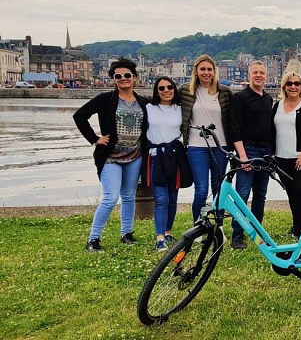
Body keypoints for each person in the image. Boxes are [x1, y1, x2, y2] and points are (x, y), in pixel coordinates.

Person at [74, 58, 148, 252]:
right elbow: (80, 116)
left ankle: (127, 233)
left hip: (135, 155)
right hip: (110, 157)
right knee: (110, 197)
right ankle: (93, 239)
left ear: (134, 77)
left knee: (129, 196)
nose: (123, 79)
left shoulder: (143, 101)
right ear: (114, 80)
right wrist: (95, 138)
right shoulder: (105, 99)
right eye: (118, 76)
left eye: (127, 75)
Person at [179, 54, 234, 222]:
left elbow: (234, 116)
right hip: (196, 147)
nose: (206, 72)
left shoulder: (224, 92)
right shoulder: (185, 91)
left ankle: (219, 226)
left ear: (214, 71)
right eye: (202, 69)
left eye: (209, 69)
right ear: (196, 71)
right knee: (201, 190)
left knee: (218, 188)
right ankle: (199, 226)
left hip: (220, 146)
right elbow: (163, 101)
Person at [228, 60, 274, 250]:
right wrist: (243, 156)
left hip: (265, 152)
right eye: (255, 72)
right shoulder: (240, 98)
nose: (258, 76)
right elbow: (234, 128)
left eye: (261, 73)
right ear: (249, 76)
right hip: (248, 150)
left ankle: (257, 232)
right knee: (242, 194)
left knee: (260, 195)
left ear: (266, 76)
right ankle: (237, 235)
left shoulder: (268, 99)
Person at [272, 72, 301, 238]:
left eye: (297, 84)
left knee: (300, 190)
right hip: (281, 159)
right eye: (289, 83)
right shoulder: (277, 106)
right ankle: (296, 224)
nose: (293, 86)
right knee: (291, 192)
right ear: (284, 86)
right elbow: (271, 130)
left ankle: (300, 230)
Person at [145, 76, 183, 251]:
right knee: (161, 199)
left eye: (170, 87)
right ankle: (159, 237)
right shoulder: (148, 108)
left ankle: (168, 232)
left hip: (174, 157)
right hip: (155, 157)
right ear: (156, 91)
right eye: (161, 88)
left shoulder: (180, 109)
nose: (166, 90)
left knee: (173, 198)